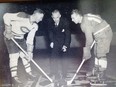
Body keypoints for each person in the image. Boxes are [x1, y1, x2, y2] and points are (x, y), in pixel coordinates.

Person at [3, 9, 44, 86]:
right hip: (10, 37)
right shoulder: (22, 16)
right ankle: (14, 77)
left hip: (21, 39)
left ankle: (29, 73)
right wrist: (8, 31)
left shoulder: (35, 26)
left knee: (25, 55)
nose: (41, 19)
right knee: (14, 56)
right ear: (36, 14)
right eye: (41, 17)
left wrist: (29, 52)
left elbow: (30, 39)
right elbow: (6, 16)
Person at [71, 9, 113, 81]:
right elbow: (97, 16)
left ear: (78, 16)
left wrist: (86, 51)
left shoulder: (84, 24)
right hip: (100, 33)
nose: (72, 20)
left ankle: (102, 74)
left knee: (100, 53)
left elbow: (89, 39)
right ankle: (97, 72)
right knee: (96, 52)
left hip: (104, 33)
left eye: (73, 18)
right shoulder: (85, 17)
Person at [48, 10, 71, 86]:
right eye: (54, 18)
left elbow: (68, 35)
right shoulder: (51, 22)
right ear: (52, 17)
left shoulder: (65, 22)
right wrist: (51, 41)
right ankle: (55, 73)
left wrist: (66, 45)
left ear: (60, 16)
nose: (55, 19)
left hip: (64, 42)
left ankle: (64, 75)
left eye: (57, 17)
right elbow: (50, 32)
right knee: (53, 57)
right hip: (55, 42)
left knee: (64, 59)